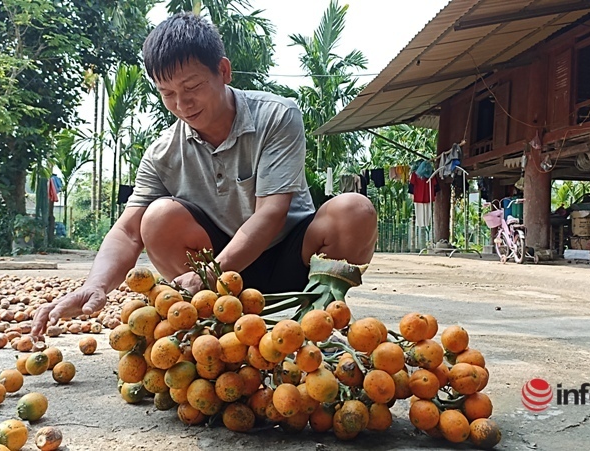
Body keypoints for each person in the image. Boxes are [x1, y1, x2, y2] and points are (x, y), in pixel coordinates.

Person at [31, 12, 377, 338]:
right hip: (217, 274)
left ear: (223, 71)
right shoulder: (162, 152)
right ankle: (218, 324)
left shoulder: (276, 116)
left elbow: (272, 212)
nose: (182, 104)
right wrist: (96, 284)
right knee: (157, 218)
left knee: (354, 210)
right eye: (167, 93)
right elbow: (128, 231)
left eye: (192, 86)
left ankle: (318, 323)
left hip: (293, 260)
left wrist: (208, 273)